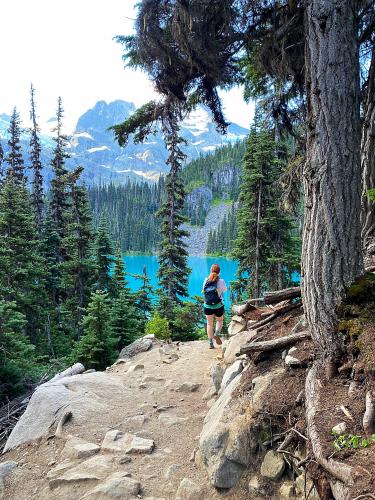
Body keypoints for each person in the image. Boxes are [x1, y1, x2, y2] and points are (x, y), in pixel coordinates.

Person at [203, 263, 227, 349]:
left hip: (207, 306)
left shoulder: (206, 280)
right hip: (218, 306)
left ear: (211, 270)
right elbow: (225, 290)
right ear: (219, 272)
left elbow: (203, 290)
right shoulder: (221, 281)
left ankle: (210, 343)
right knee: (219, 321)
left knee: (209, 324)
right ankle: (217, 334)